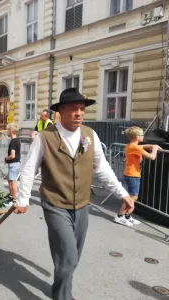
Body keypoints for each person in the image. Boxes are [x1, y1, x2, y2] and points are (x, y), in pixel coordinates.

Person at [15, 88, 132, 300]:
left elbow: (102, 167)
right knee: (68, 255)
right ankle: (63, 296)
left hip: (82, 205)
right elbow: (30, 169)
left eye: (82, 109)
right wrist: (22, 200)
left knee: (73, 255)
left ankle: (60, 289)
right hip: (55, 204)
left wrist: (122, 194)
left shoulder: (90, 135)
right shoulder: (45, 137)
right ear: (60, 111)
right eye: (73, 109)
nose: (79, 113)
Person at [114, 126, 161, 227]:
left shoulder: (131, 145)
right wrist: (155, 148)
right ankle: (119, 216)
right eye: (142, 135)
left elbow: (143, 147)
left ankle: (127, 216)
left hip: (131, 174)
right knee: (131, 198)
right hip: (132, 175)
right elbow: (152, 157)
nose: (143, 136)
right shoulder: (134, 147)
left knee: (132, 197)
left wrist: (152, 145)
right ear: (137, 137)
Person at [4, 123, 21, 200]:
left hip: (13, 164)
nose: (6, 132)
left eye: (7, 130)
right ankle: (11, 195)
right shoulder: (17, 140)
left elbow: (12, 156)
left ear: (11, 131)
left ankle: (14, 198)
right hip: (16, 164)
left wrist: (6, 158)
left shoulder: (13, 142)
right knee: (10, 180)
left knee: (13, 181)